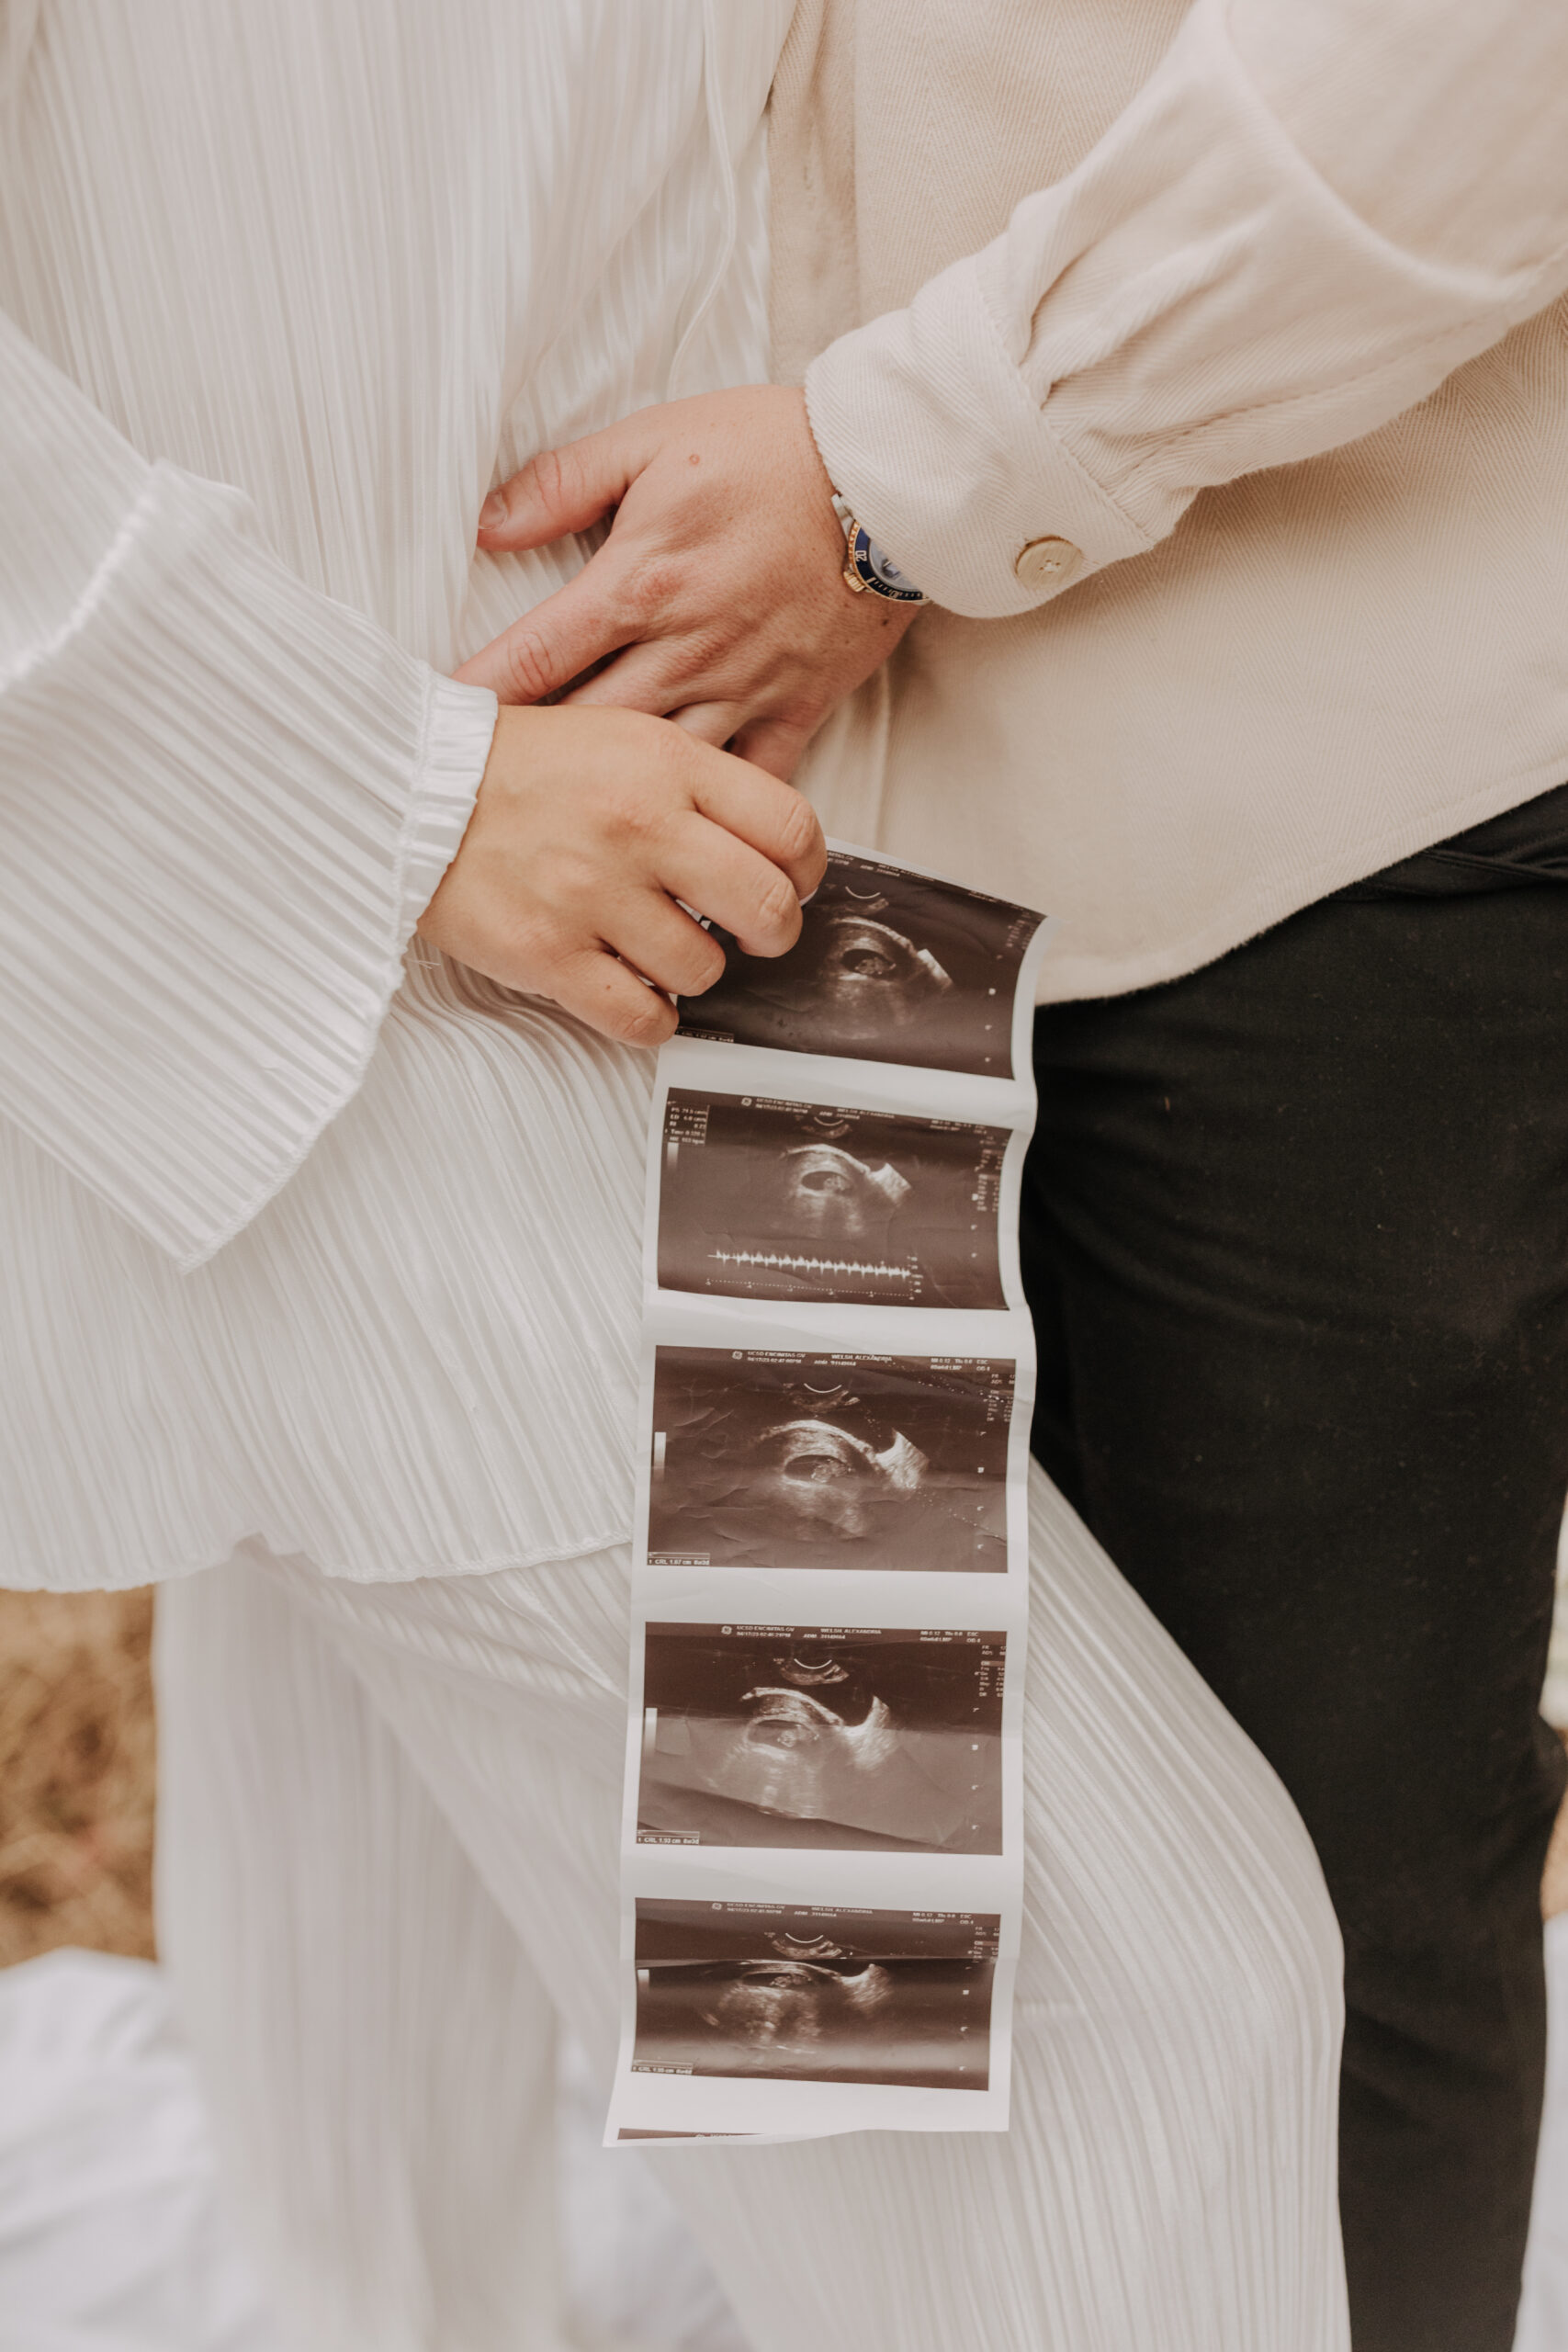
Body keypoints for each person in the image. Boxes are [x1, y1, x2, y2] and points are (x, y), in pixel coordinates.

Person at [0, 6, 1347, 2350]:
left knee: (367, 1858)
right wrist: (371, 803)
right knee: (1127, 2012)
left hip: (686, 910)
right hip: (418, 983)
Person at [457, 2, 1568, 2346]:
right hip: (704, 819)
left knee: (1330, 1922)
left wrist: (902, 468)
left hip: (1312, 783)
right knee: (824, 1935)